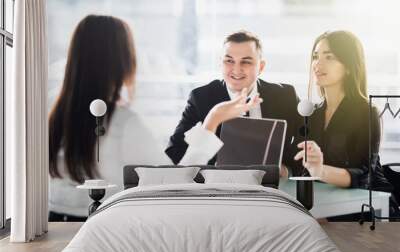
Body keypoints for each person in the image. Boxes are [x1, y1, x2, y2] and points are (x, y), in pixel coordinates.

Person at [48, 15, 261, 221]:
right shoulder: (124, 123)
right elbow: (176, 182)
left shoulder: (53, 115)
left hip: (55, 221)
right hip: (105, 225)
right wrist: (212, 121)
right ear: (124, 62)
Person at [165, 30, 301, 176]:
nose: (236, 69)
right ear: (220, 63)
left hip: (271, 188)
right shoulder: (201, 98)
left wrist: (287, 171)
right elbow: (175, 152)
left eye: (246, 62)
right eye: (229, 61)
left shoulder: (285, 96)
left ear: (260, 67)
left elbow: (305, 147)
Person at [294, 30, 390, 190]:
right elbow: (300, 168)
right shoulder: (312, 114)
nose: (317, 64)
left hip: (366, 203)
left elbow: (364, 175)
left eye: (329, 57)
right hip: (325, 200)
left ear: (349, 67)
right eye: (316, 56)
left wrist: (320, 170)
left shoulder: (367, 113)